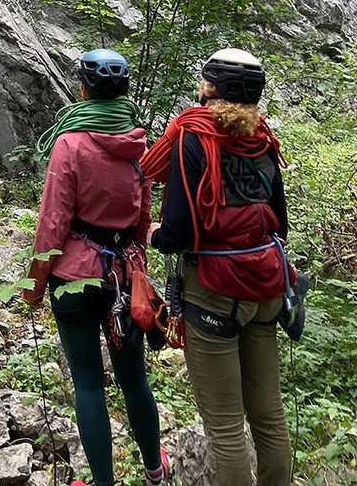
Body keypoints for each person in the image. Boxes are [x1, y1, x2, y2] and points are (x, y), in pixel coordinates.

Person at [143, 48, 293, 486]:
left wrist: (154, 234)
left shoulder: (193, 137)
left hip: (213, 291)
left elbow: (179, 231)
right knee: (270, 418)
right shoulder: (262, 138)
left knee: (226, 430)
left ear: (210, 87)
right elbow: (280, 222)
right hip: (266, 288)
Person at [23, 48, 169, 486]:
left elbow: (53, 222)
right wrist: (136, 264)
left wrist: (33, 286)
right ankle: (155, 470)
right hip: (123, 276)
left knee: (88, 383)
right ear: (123, 91)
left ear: (83, 89)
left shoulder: (69, 144)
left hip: (75, 278)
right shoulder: (138, 145)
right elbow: (142, 217)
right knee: (134, 379)